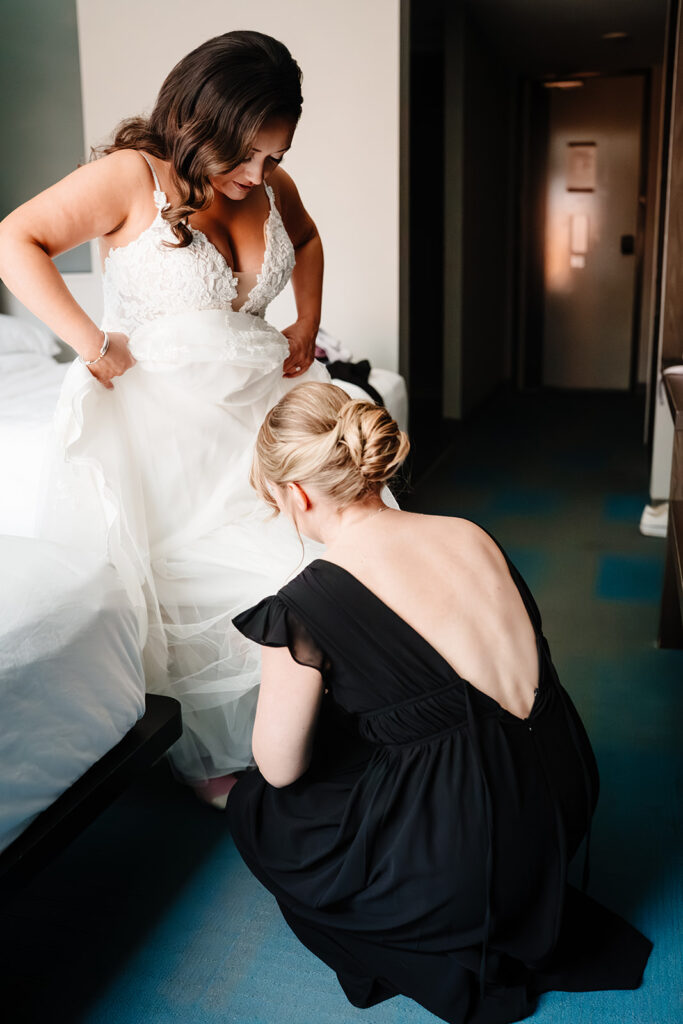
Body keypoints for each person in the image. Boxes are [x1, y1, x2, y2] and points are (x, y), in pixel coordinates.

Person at [227, 381, 652, 1024]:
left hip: (471, 849)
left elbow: (281, 766)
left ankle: (438, 923)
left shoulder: (304, 604)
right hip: (560, 796)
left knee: (261, 805)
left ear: (300, 493)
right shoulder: (468, 532)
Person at [0, 31, 334, 804]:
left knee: (316, 562)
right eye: (245, 154)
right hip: (167, 431)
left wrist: (306, 323)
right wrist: (89, 342)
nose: (257, 175)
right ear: (198, 120)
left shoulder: (270, 187)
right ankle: (219, 751)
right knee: (212, 581)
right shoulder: (130, 176)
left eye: (274, 157)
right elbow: (16, 239)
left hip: (256, 411)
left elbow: (308, 238)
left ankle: (289, 739)